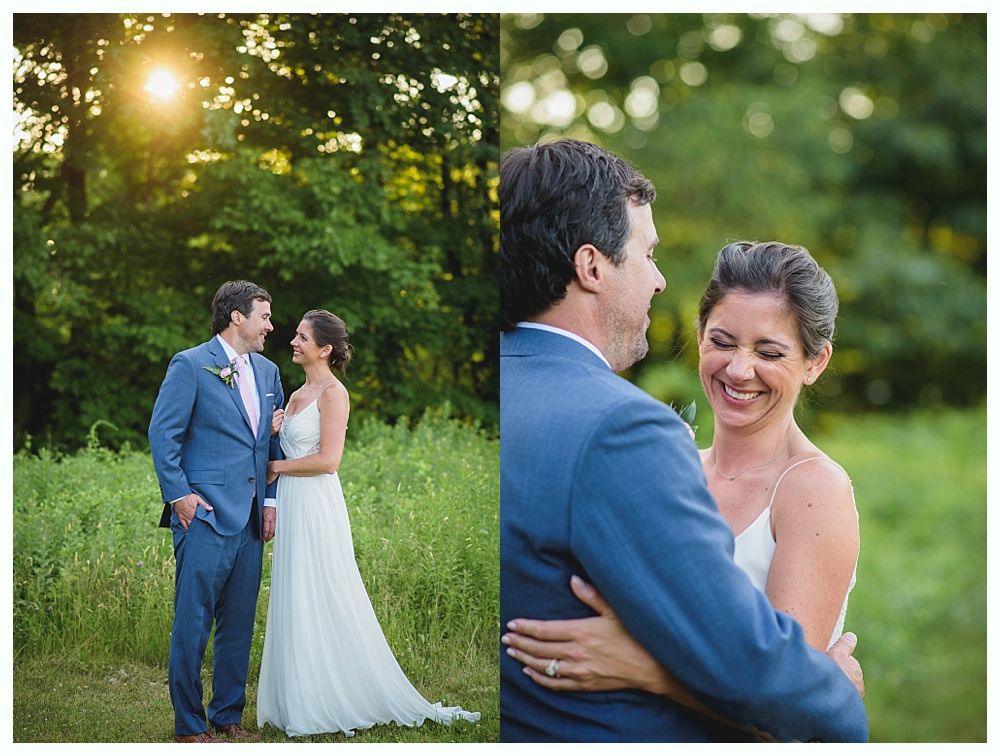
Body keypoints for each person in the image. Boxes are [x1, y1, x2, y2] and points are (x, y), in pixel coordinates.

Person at [499, 138, 866, 742]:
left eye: (770, 352)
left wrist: (647, 670)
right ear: (592, 266)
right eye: (722, 341)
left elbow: (781, 710)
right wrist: (837, 692)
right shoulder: (648, 450)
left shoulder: (813, 489)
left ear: (815, 363)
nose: (739, 369)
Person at [255, 309, 480, 737]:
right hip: (292, 503)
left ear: (325, 348)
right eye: (295, 336)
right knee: (295, 591)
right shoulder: (297, 394)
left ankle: (332, 695)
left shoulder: (333, 394)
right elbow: (288, 446)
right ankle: (298, 696)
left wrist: (277, 467)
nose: (293, 342)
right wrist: (272, 432)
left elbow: (328, 460)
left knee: (324, 589)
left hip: (317, 504)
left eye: (302, 337)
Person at [149, 279, 284, 743]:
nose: (271, 325)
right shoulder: (189, 365)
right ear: (237, 317)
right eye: (264, 316)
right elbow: (162, 435)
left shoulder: (268, 372)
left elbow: (271, 441)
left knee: (240, 622)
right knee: (193, 620)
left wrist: (268, 502)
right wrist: (180, 496)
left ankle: (227, 716)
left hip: (249, 519)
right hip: (202, 515)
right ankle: (188, 725)